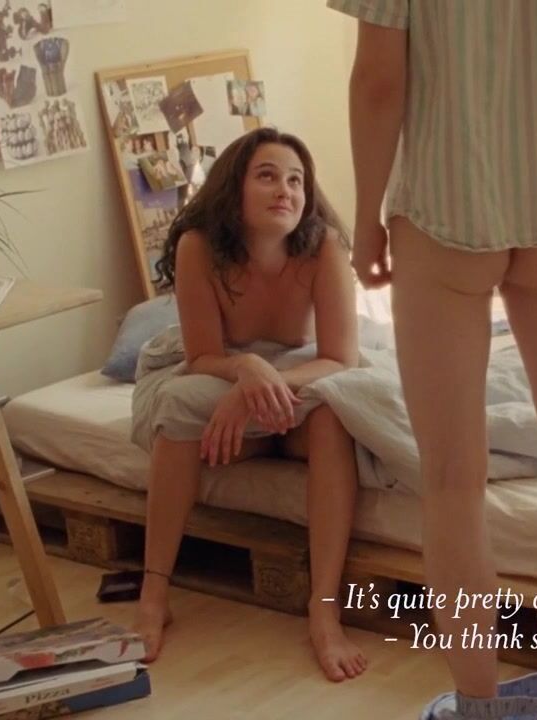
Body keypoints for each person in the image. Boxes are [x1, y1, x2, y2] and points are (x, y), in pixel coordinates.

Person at [329, 1, 537, 717]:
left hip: (444, 209)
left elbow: (378, 79)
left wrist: (366, 222)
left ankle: (480, 706)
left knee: (452, 482)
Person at [129, 127, 368, 682]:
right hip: (222, 370)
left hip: (302, 374)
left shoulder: (325, 247)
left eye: (296, 181)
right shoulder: (199, 246)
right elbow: (202, 356)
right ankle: (153, 593)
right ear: (234, 187)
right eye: (267, 176)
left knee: (333, 415)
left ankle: (324, 612)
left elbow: (339, 359)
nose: (285, 190)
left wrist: (262, 383)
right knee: (179, 406)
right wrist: (246, 371)